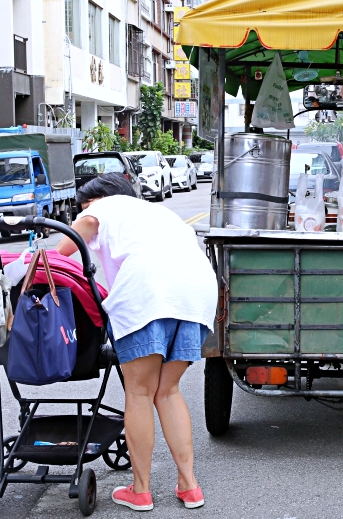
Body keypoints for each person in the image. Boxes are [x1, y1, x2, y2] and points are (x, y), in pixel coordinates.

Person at [57, 172, 217, 510]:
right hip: (197, 292)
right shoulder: (159, 214)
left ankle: (141, 490)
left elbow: (62, 251)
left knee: (140, 392)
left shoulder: (102, 207)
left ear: (96, 199)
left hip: (149, 291)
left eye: (82, 206)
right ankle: (189, 486)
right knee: (167, 389)